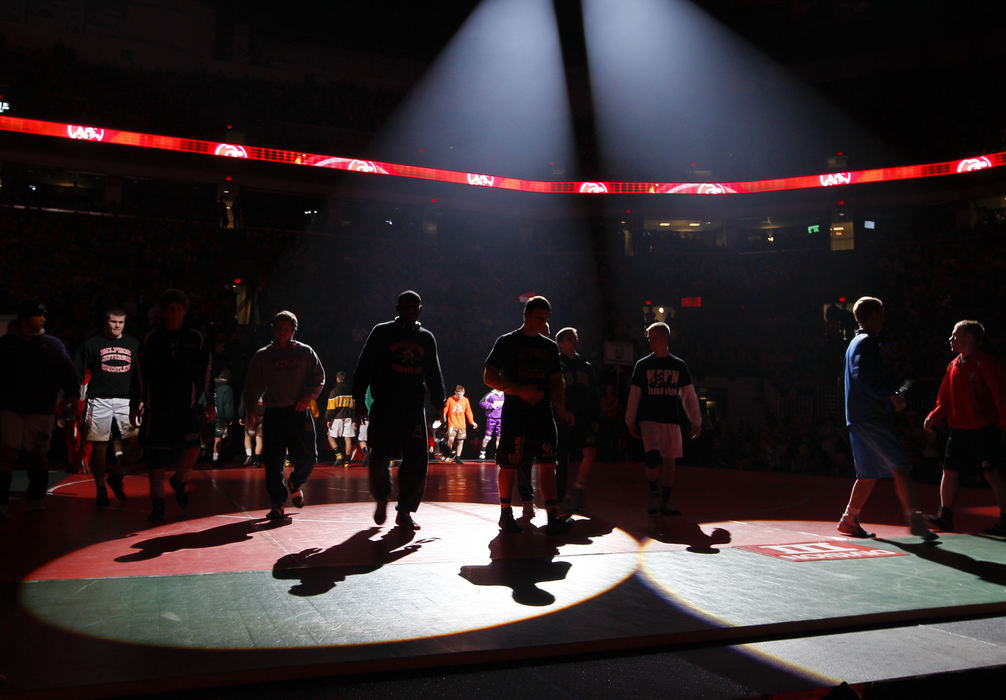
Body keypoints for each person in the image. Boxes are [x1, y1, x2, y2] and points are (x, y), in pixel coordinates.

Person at [838, 296, 936, 540]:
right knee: (900, 467)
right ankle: (915, 520)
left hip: (857, 417)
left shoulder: (853, 343)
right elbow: (865, 377)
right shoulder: (868, 342)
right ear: (873, 316)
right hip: (871, 416)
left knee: (868, 473)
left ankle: (849, 519)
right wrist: (890, 396)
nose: (884, 318)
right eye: (881, 313)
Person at [352, 290, 445, 530]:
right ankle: (382, 497)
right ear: (397, 308)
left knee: (416, 460)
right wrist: (359, 400)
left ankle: (404, 510)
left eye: (414, 307)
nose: (410, 311)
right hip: (384, 405)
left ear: (420, 309)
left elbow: (434, 373)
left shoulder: (426, 338)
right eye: (406, 306)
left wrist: (439, 404)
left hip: (413, 406)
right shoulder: (381, 332)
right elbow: (364, 365)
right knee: (379, 457)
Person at [484, 295, 571, 535]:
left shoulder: (550, 347)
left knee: (547, 463)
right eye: (538, 318)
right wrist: (519, 390)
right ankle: (505, 512)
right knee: (509, 463)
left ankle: (552, 513)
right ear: (526, 316)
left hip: (543, 414)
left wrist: (561, 407)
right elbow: (488, 376)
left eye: (546, 319)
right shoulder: (507, 342)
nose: (542, 323)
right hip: (516, 413)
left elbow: (557, 381)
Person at [923, 320, 1006, 535]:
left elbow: (1001, 397)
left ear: (969, 338)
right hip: (958, 430)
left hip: (983, 430)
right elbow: (945, 398)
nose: (951, 339)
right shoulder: (953, 365)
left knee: (992, 474)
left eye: (954, 335)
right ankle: (945, 517)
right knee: (949, 471)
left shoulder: (986, 364)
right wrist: (934, 416)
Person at [0, 299, 79, 518]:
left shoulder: (53, 345)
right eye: (39, 315)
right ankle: (2, 501)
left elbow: (68, 372)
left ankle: (36, 497)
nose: (44, 318)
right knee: (6, 452)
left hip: (42, 409)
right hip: (10, 408)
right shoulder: (6, 344)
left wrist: (72, 394)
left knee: (40, 454)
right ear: (25, 319)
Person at [244, 311, 326, 521]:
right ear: (273, 328)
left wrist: (309, 396)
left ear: (293, 331)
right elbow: (252, 385)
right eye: (279, 328)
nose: (282, 332)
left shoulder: (305, 352)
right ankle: (277, 504)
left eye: (286, 329)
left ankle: (295, 482)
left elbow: (319, 376)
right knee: (273, 462)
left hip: (299, 412)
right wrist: (251, 409)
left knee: (309, 456)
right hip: (273, 414)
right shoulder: (263, 355)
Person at [140, 289, 214, 523]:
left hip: (186, 404)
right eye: (170, 309)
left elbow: (206, 373)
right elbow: (141, 374)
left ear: (184, 311)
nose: (174, 313)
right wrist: (137, 402)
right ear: (163, 312)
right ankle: (158, 504)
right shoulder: (151, 339)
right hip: (158, 406)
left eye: (178, 309)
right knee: (157, 460)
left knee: (193, 448)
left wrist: (210, 401)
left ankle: (179, 481)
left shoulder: (196, 338)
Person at [624, 322, 701, 517]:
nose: (651, 341)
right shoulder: (642, 365)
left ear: (665, 338)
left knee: (669, 461)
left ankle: (665, 501)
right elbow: (635, 394)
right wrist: (630, 419)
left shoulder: (678, 365)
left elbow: (688, 395)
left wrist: (696, 420)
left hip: (671, 419)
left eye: (654, 337)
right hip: (649, 418)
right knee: (652, 457)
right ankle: (654, 494)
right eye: (649, 338)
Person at [73, 306, 141, 507]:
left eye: (120, 322)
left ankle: (117, 475)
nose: (117, 326)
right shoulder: (91, 344)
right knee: (99, 447)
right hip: (99, 399)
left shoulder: (133, 344)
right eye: (113, 322)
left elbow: (141, 374)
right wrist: (73, 394)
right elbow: (76, 368)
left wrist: (141, 399)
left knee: (138, 445)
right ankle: (101, 488)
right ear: (106, 321)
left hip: (126, 400)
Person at [555, 327, 601, 513]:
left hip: (584, 416)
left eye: (575, 337)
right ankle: (562, 496)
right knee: (563, 458)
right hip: (564, 417)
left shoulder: (585, 365)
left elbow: (594, 393)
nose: (574, 340)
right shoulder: (556, 365)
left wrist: (596, 416)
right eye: (569, 338)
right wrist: (561, 412)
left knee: (590, 452)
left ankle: (579, 486)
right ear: (560, 343)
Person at [325, 371, 355, 465]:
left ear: (337, 379)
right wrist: (354, 420)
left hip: (337, 418)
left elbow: (331, 408)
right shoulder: (351, 391)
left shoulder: (334, 391)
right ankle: (347, 460)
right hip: (348, 418)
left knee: (330, 436)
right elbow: (354, 407)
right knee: (348, 438)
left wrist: (328, 419)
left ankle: (338, 454)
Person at [442, 385, 477, 463]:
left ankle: (458, 458)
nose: (460, 396)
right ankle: (449, 454)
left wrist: (472, 422)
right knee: (450, 439)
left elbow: (469, 412)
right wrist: (442, 419)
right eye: (458, 394)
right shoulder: (450, 399)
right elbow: (445, 410)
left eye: (461, 394)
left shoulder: (465, 400)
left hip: (462, 424)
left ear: (463, 393)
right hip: (452, 423)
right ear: (455, 392)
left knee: (460, 441)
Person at [211, 368, 235, 464]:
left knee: (208, 438)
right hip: (221, 418)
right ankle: (216, 460)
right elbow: (228, 405)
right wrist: (230, 418)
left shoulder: (213, 386)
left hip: (210, 415)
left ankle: (204, 457)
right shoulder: (227, 389)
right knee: (218, 440)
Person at [479, 388, 504, 461]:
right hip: (491, 418)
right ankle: (482, 452)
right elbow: (481, 403)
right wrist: (491, 405)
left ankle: (498, 454)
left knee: (499, 437)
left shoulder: (505, 395)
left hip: (501, 418)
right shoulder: (491, 394)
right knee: (488, 437)